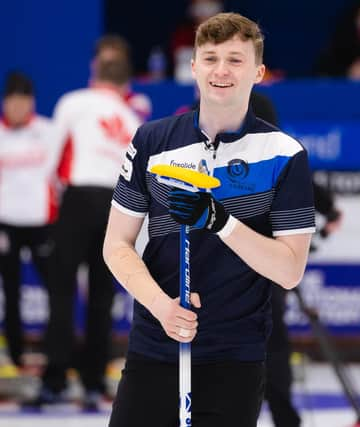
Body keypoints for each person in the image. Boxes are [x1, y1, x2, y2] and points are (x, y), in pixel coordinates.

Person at [102, 12, 315, 427]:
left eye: (236, 60)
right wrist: (163, 308)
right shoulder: (152, 141)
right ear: (194, 67)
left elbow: (289, 271)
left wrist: (221, 221)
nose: (222, 70)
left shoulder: (285, 154)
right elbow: (116, 245)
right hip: (155, 348)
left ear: (259, 72)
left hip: (235, 357)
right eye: (211, 58)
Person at [29, 46, 142, 409]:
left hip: (78, 199)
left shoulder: (73, 101)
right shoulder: (131, 117)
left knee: (62, 291)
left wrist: (50, 208)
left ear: (95, 75)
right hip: (117, 205)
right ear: (125, 83)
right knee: (102, 296)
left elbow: (50, 155)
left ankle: (56, 379)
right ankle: (93, 381)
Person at [0, 72, 61, 371]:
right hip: (6, 224)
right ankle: (14, 356)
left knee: (57, 289)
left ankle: (54, 355)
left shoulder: (49, 132)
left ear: (32, 103)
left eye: (24, 101)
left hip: (42, 222)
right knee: (9, 292)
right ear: (4, 102)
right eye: (12, 101)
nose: (18, 108)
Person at [93, 34, 153, 122]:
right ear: (94, 64)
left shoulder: (138, 103)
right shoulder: (79, 102)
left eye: (115, 64)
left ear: (126, 66)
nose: (110, 71)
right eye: (106, 65)